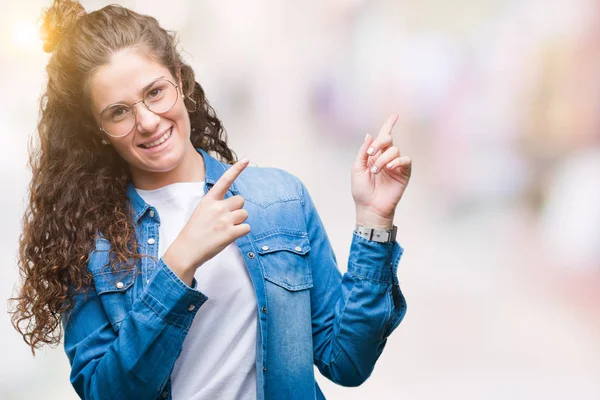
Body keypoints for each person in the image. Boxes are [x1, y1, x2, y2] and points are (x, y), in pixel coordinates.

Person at [10, 1, 412, 399]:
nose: (148, 121)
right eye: (118, 112)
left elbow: (347, 362)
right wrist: (179, 262)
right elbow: (105, 392)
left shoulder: (280, 199)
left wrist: (374, 219)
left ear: (181, 82)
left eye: (155, 92)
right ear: (98, 129)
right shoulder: (86, 240)